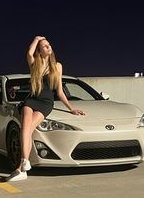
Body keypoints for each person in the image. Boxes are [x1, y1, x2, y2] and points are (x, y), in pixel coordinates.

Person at [6, 35, 85, 182]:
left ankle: (21, 169)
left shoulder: (58, 66)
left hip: (45, 102)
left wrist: (71, 108)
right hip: (31, 99)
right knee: (25, 127)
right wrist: (36, 39)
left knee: (28, 130)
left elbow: (60, 91)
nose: (48, 47)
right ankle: (24, 162)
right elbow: (29, 53)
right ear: (39, 51)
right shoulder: (34, 63)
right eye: (44, 46)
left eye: (49, 44)